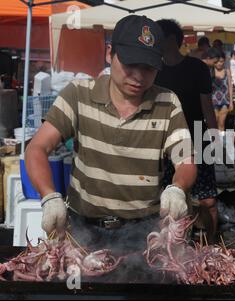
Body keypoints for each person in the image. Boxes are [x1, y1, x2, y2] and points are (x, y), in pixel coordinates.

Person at [25, 15, 197, 251]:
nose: (138, 76)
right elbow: (37, 148)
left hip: (141, 231)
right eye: (130, 64)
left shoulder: (167, 102)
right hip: (83, 229)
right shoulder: (78, 94)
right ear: (109, 54)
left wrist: (178, 188)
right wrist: (49, 195)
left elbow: (186, 161)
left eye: (148, 68)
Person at [155, 19, 219, 243]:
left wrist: (215, 139)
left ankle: (210, 243)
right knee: (169, 198)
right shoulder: (154, 70)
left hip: (197, 136)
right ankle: (172, 245)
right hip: (164, 141)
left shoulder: (197, 68)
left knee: (207, 200)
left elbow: (207, 107)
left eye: (158, 36)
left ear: (172, 39)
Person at [212, 51, 233, 132]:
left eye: (221, 61)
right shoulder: (211, 71)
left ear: (224, 61)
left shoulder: (226, 70)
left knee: (221, 123)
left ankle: (220, 143)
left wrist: (231, 101)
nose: (219, 64)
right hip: (213, 100)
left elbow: (230, 86)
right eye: (217, 62)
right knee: (214, 122)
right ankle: (214, 142)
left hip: (225, 100)